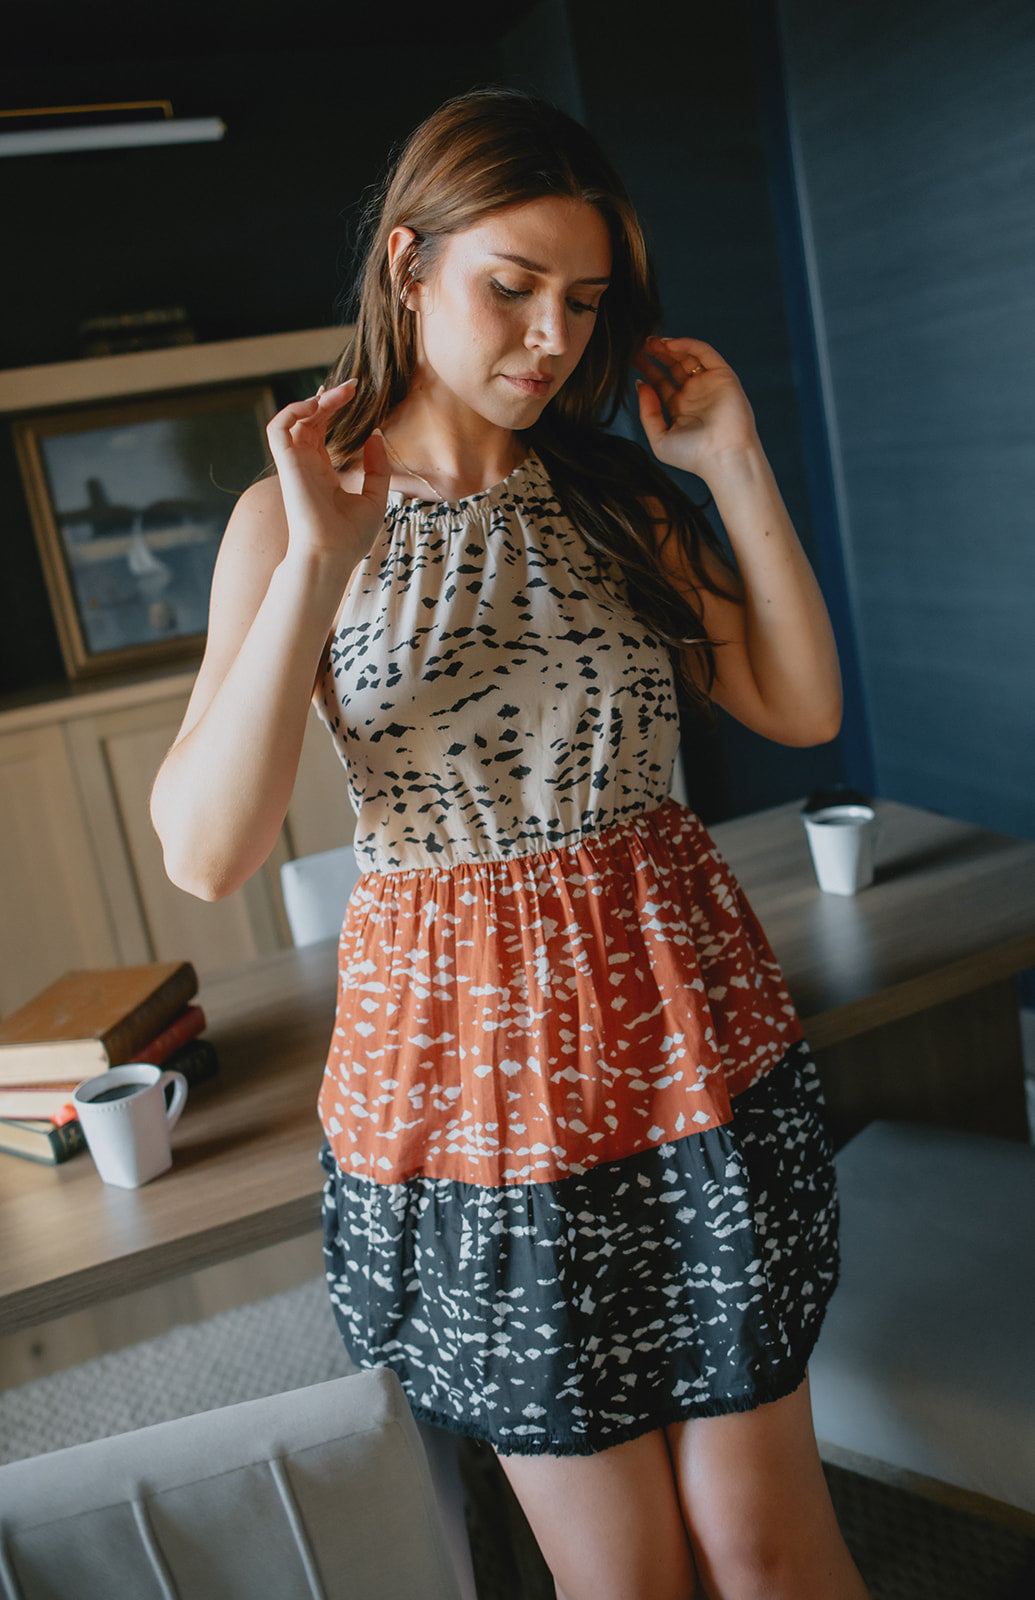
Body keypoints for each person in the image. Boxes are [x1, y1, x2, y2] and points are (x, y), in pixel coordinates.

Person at [151, 88, 869, 1600]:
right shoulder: (291, 519)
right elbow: (208, 855)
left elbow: (801, 708)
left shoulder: (612, 497)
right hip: (474, 1093)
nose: (552, 338)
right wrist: (319, 563)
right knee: (627, 1577)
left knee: (766, 1551)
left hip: (689, 1047)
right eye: (513, 287)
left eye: (583, 301)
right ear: (408, 265)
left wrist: (734, 462)